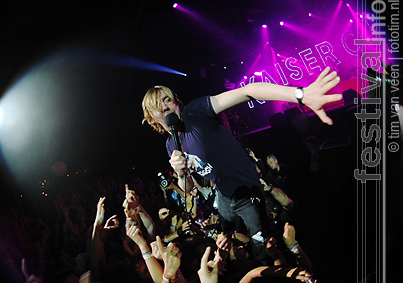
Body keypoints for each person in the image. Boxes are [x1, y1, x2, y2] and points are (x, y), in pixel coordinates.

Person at [141, 67, 341, 264]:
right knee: (227, 243)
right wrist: (180, 172)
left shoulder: (195, 113)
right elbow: (189, 188)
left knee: (261, 251)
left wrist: (300, 94)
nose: (164, 107)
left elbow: (247, 91)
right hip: (224, 197)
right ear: (151, 118)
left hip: (248, 194)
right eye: (157, 106)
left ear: (177, 102)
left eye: (167, 100)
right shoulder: (170, 146)